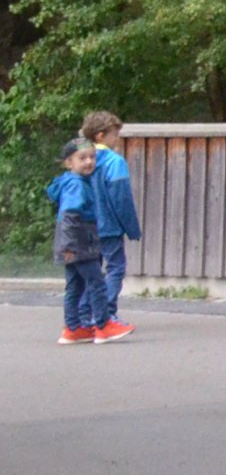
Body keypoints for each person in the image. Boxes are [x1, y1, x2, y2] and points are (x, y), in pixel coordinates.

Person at [51, 140, 115, 344]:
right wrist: (70, 247)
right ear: (69, 163)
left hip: (72, 242)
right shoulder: (76, 184)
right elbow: (70, 215)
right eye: (82, 158)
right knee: (97, 283)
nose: (89, 162)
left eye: (92, 157)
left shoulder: (70, 181)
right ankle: (104, 326)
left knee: (75, 285)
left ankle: (73, 329)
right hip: (79, 243)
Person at [80, 110, 138, 328]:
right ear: (101, 135)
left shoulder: (83, 159)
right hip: (109, 226)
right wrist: (131, 227)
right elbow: (121, 198)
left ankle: (84, 316)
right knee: (115, 268)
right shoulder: (114, 161)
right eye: (115, 134)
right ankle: (107, 313)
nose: (118, 139)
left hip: (85, 226)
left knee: (91, 271)